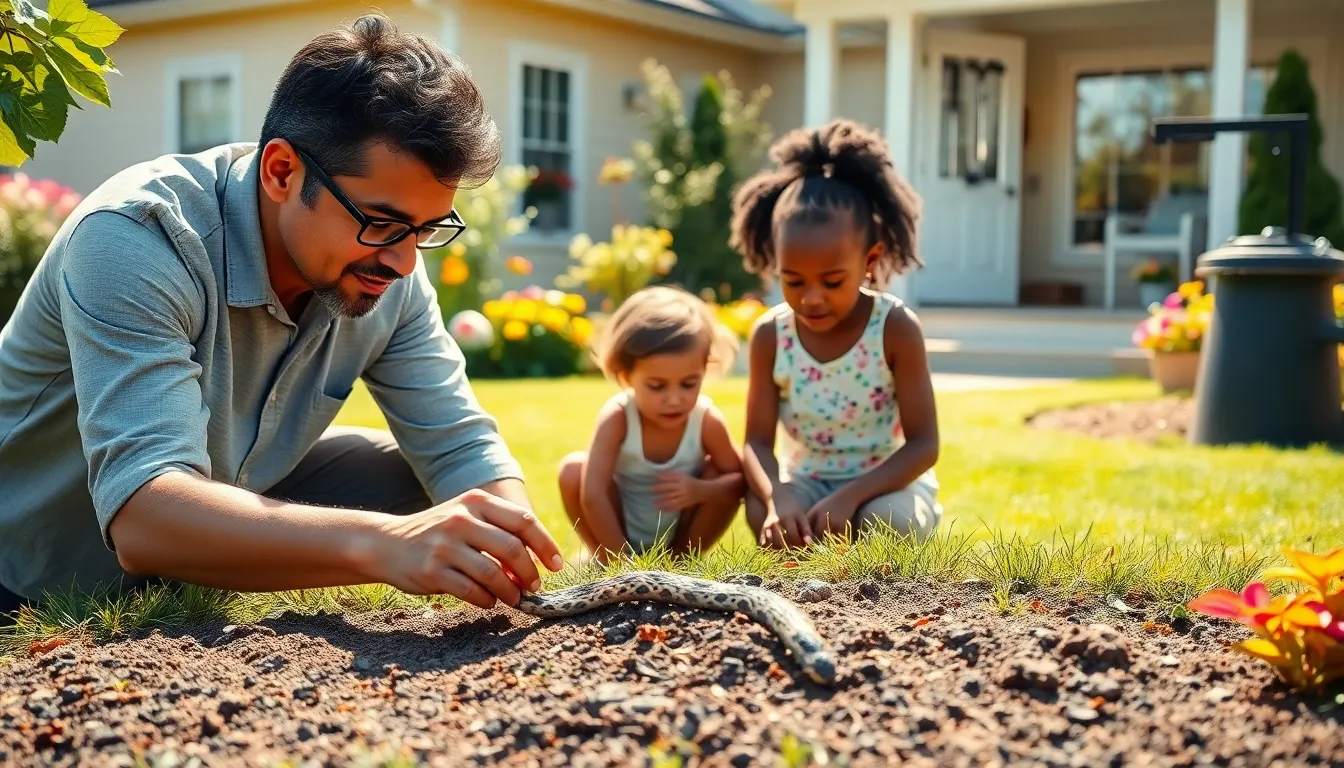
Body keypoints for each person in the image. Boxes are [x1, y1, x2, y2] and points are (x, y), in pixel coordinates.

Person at [0, 14, 564, 620]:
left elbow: (456, 444)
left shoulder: (386, 264)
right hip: (27, 572)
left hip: (201, 517)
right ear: (281, 172)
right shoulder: (137, 238)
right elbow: (144, 516)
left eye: (428, 229)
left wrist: (510, 541)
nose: (403, 260)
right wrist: (385, 545)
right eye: (382, 222)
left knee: (424, 491)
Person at [729, 117, 944, 550]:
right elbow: (755, 441)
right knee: (758, 508)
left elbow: (924, 445)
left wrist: (850, 497)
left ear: (870, 259)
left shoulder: (894, 328)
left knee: (888, 523)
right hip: (807, 481)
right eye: (793, 280)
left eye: (831, 282)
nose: (811, 299)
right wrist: (779, 494)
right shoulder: (773, 335)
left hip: (884, 486)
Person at [557, 286, 745, 563]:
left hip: (680, 539)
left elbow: (740, 484)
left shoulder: (705, 420)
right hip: (616, 534)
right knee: (573, 471)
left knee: (719, 471)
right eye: (657, 386)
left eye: (689, 384)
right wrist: (625, 564)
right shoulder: (619, 417)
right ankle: (606, 561)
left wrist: (699, 490)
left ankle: (681, 564)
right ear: (626, 375)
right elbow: (593, 495)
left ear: (705, 368)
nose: (674, 399)